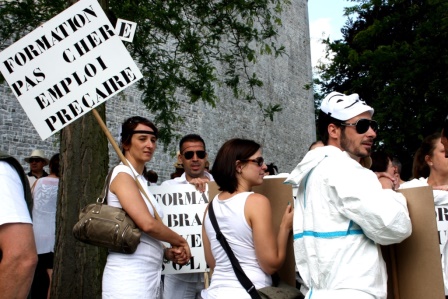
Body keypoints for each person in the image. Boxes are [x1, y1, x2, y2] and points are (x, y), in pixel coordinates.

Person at [285, 91, 412, 298]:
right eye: (361, 126)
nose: (371, 133)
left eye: (373, 126)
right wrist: (387, 187)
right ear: (334, 130)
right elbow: (393, 227)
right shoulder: (344, 169)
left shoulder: (312, 171)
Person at [102, 116, 191, 298]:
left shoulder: (141, 180)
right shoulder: (123, 174)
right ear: (126, 143)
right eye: (142, 139)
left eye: (153, 140)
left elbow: (143, 238)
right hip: (128, 277)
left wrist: (166, 253)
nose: (150, 145)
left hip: (150, 276)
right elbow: (147, 224)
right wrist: (180, 241)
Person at [201, 138, 293, 298]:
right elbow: (271, 264)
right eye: (259, 161)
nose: (264, 167)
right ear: (239, 166)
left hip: (214, 293)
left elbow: (213, 262)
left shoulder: (209, 209)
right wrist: (285, 227)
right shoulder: (256, 202)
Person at [162, 134, 214, 299]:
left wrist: (209, 192)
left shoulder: (220, 187)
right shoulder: (168, 188)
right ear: (180, 158)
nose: (195, 158)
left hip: (215, 274)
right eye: (189, 154)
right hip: (179, 275)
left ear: (205, 157)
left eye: (200, 154)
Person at [0, 151, 38, 298]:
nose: (34, 163)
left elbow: (20, 258)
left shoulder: (3, 173)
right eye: (32, 160)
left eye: (38, 160)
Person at [30, 153, 60, 299]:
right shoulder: (64, 185)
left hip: (36, 232)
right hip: (54, 234)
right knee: (51, 272)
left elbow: (30, 201)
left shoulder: (39, 182)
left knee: (35, 272)